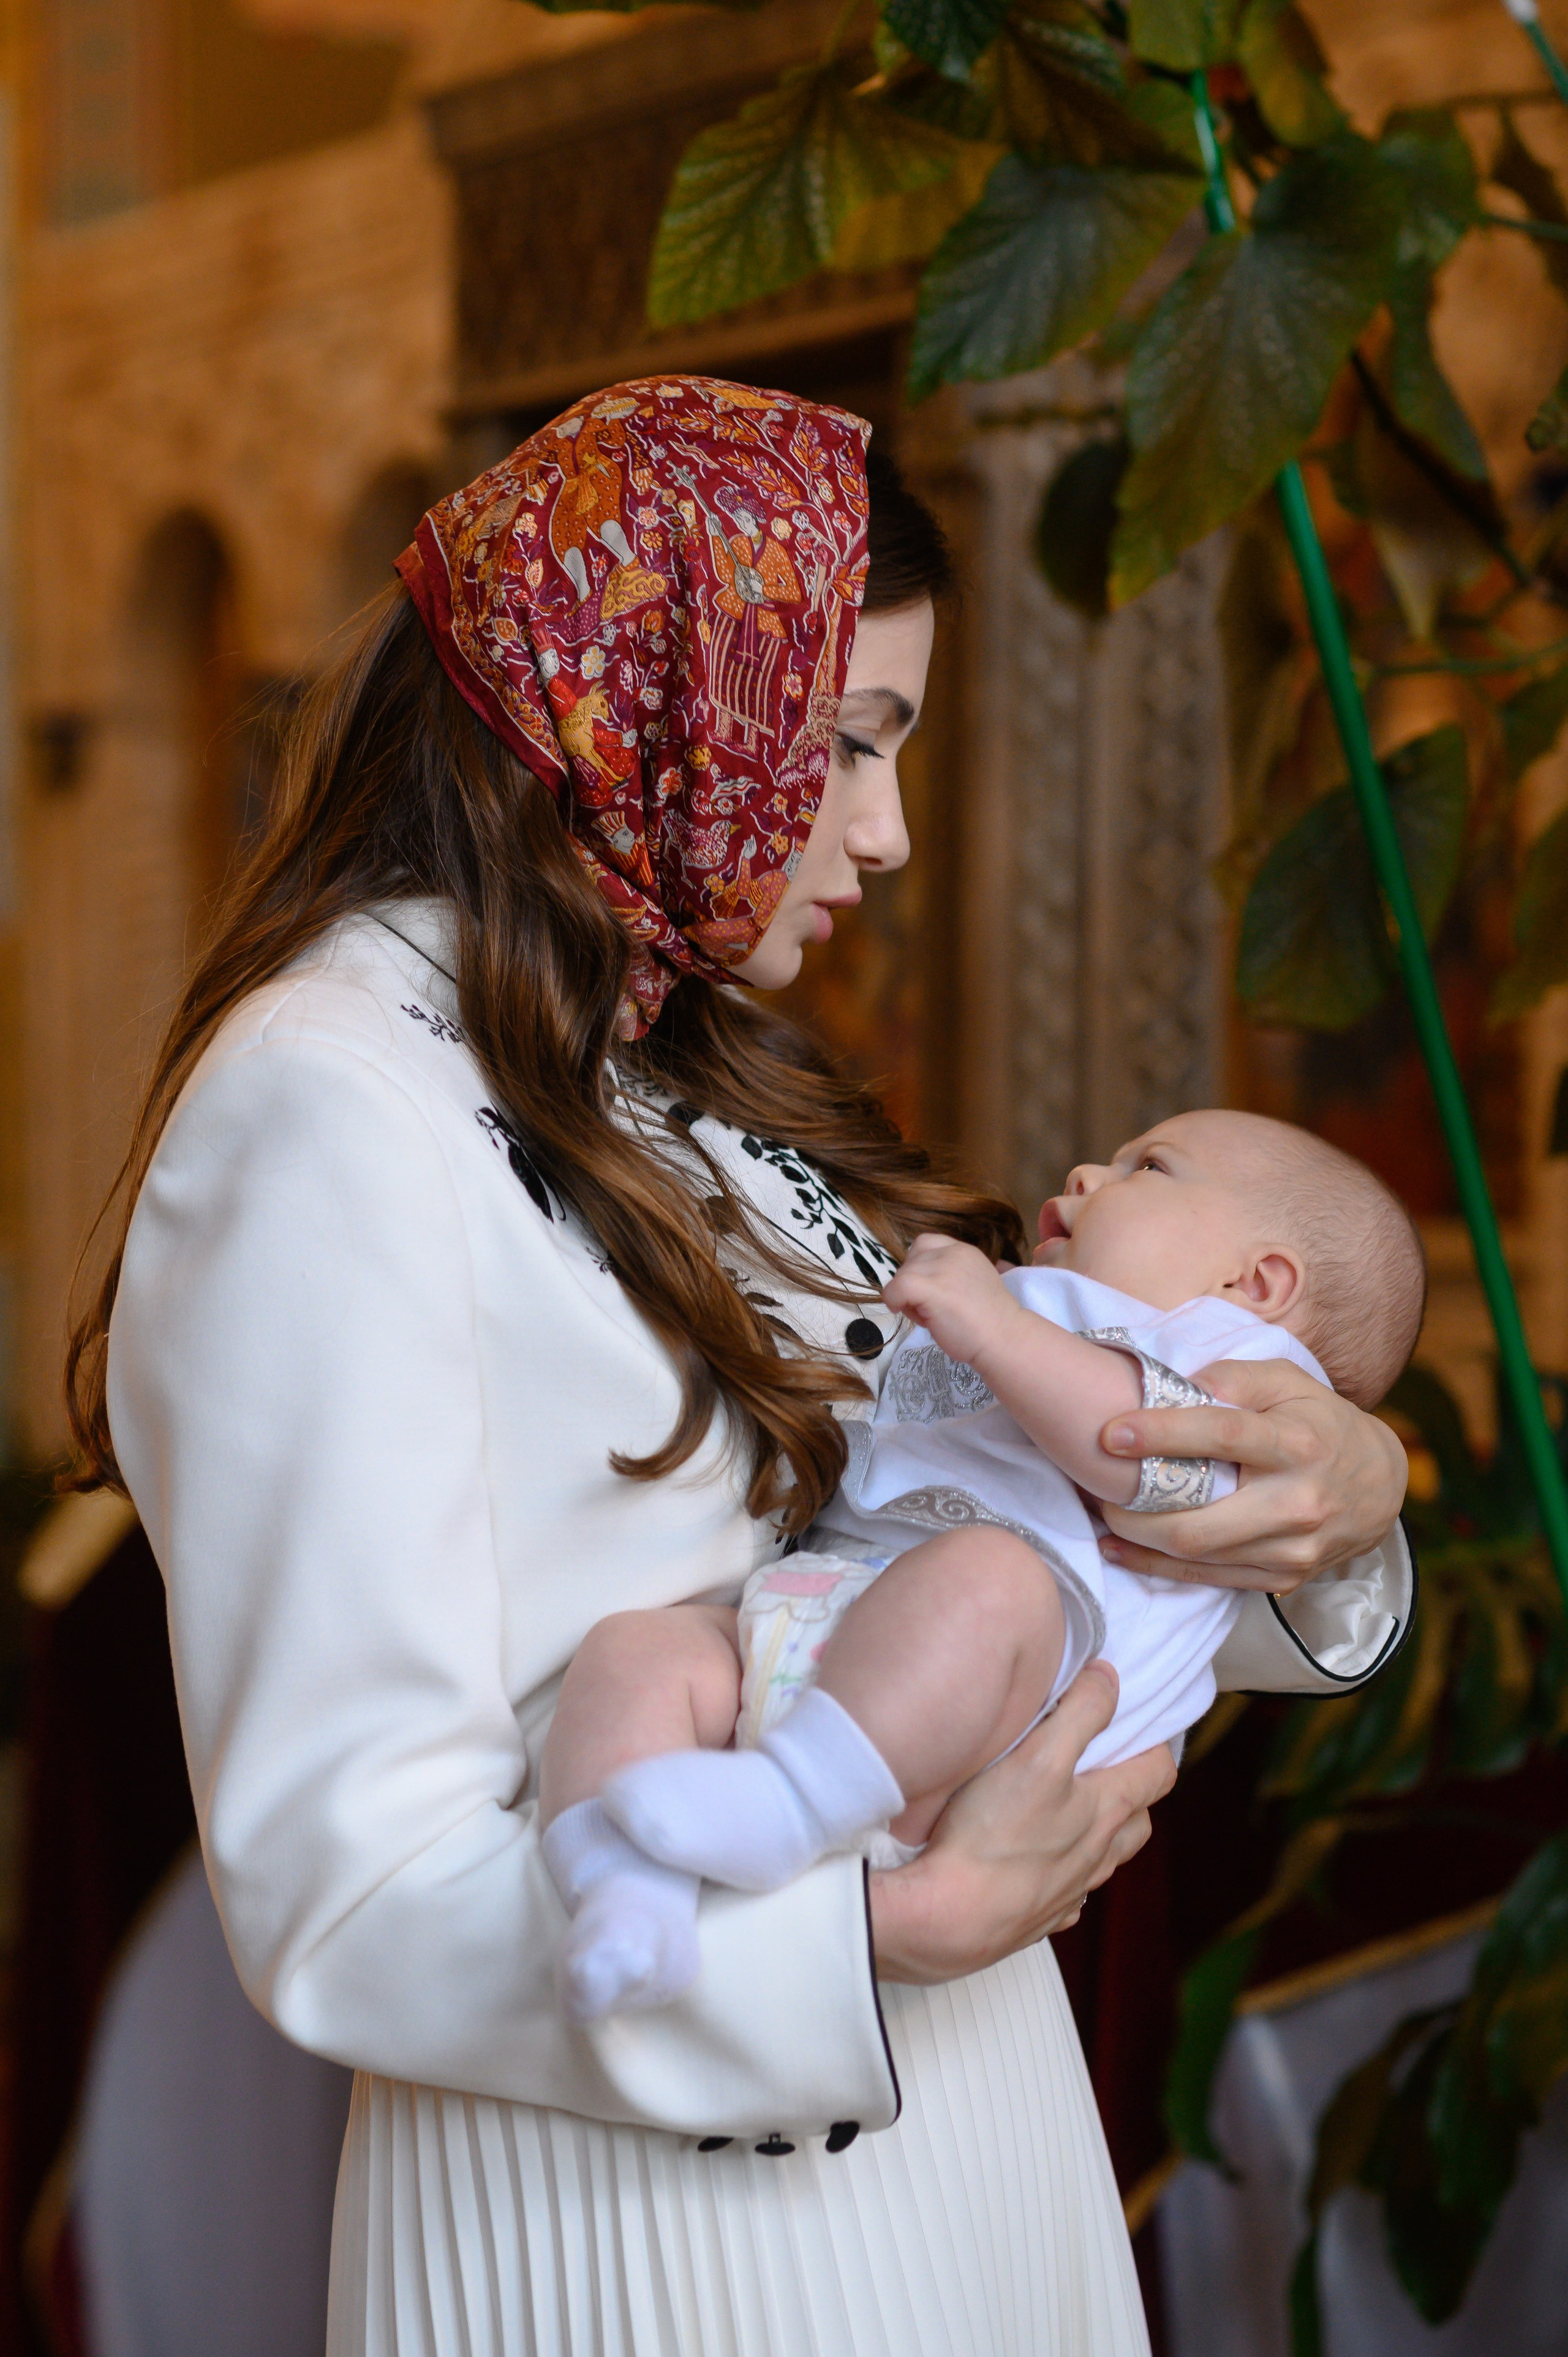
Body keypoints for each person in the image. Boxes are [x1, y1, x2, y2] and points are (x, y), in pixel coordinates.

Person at [72, 376, 1413, 2357]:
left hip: (967, 2141)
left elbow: (1021, 1532)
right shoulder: (326, 1103)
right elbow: (342, 1887)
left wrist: (1343, 1496)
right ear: (651, 694)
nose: (885, 830)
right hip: (656, 2226)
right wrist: (876, 1934)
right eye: (849, 740)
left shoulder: (685, 1066)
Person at [537, 1111, 1425, 2023]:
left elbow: (1136, 1448)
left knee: (995, 1578)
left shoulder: (1238, 1363)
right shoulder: (1048, 1306)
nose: (1086, 1173)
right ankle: (622, 1892)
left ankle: (790, 1803)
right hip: (825, 1624)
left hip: (978, 1719)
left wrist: (998, 1330)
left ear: (1256, 1282)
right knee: (640, 1652)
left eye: (1150, 1168)